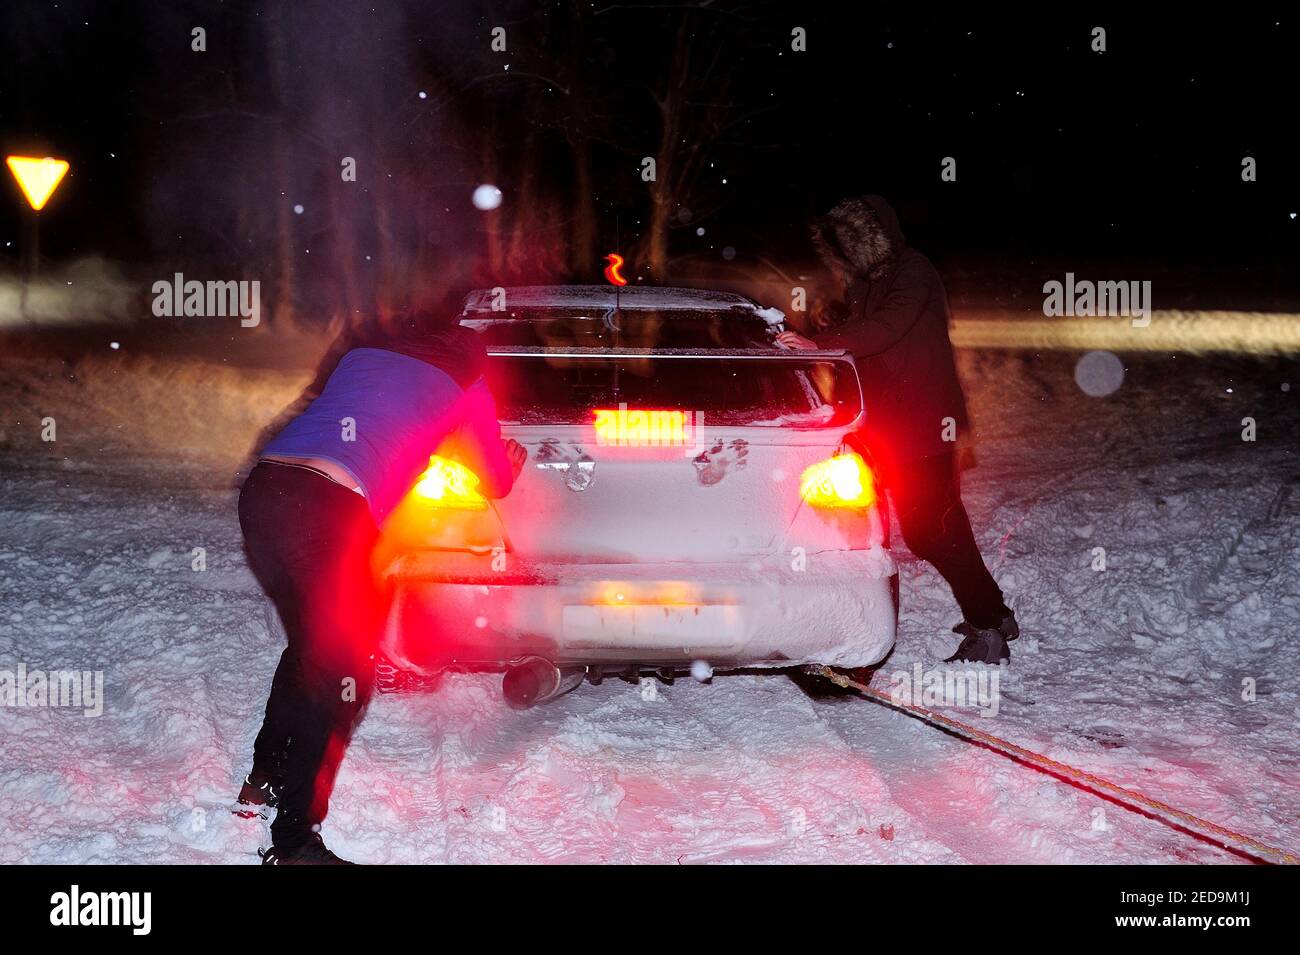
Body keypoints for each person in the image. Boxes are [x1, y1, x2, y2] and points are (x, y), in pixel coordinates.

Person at [233, 302, 526, 864]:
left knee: (314, 647)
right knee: (343, 673)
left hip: (266, 491)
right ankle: (294, 842)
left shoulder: (363, 354)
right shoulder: (468, 377)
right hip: (331, 511)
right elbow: (492, 476)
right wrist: (505, 461)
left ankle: (264, 779)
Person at [777, 195, 1018, 664]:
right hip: (893, 425)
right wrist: (831, 326)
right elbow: (869, 340)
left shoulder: (914, 270)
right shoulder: (869, 283)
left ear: (872, 241)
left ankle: (989, 630)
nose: (843, 260)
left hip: (926, 424)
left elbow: (887, 328)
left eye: (849, 247)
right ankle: (994, 613)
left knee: (933, 531)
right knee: (943, 527)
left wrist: (821, 342)